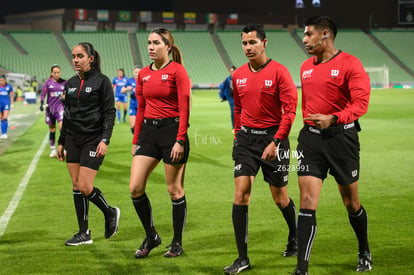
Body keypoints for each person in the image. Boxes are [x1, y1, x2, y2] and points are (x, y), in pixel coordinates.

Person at [292, 16, 371, 275]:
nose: (304, 39)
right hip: (310, 140)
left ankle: (364, 250)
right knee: (307, 200)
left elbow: (361, 104)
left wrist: (334, 118)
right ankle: (301, 269)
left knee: (351, 203)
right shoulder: (305, 67)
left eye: (308, 34)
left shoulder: (351, 64)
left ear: (325, 35)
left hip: (342, 139)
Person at [223, 23, 298, 274]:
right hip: (246, 141)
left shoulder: (280, 72)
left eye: (252, 42)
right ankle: (242, 258)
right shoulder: (238, 75)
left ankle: (295, 235)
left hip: (274, 140)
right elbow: (238, 108)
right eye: (244, 43)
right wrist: (237, 133)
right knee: (241, 192)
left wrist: (276, 142)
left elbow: (290, 112)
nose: (248, 47)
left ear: (264, 43)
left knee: (280, 198)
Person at [130, 27, 191, 259]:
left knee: (174, 191)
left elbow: (185, 108)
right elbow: (142, 108)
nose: (151, 47)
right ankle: (152, 235)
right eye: (149, 43)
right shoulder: (143, 74)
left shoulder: (178, 71)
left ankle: (176, 243)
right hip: (148, 132)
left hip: (172, 132)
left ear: (167, 46)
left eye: (156, 43)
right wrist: (136, 140)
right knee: (135, 188)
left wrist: (180, 140)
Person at [57, 42, 120, 246]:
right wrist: (61, 141)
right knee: (76, 185)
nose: (75, 60)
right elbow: (67, 114)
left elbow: (110, 112)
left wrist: (105, 139)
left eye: (80, 56)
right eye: (74, 56)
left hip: (93, 139)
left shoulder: (102, 81)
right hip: (73, 139)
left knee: (85, 185)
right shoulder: (70, 83)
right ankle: (84, 233)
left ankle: (110, 212)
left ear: (90, 59)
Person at [40, 64, 66, 158]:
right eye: (54, 72)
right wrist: (41, 103)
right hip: (50, 109)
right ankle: (53, 150)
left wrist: (65, 98)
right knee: (52, 130)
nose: (56, 74)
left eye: (58, 72)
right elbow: (43, 94)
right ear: (52, 73)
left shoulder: (64, 82)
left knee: (62, 129)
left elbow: (68, 94)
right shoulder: (48, 83)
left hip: (60, 108)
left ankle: (64, 147)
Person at [122, 65, 141, 134]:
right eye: (135, 72)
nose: (137, 74)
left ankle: (140, 142)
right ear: (133, 72)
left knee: (143, 125)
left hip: (142, 105)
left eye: (139, 72)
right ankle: (136, 139)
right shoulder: (130, 81)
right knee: (133, 125)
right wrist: (127, 89)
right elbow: (122, 90)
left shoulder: (144, 80)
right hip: (133, 105)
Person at [219, 65, 237, 131]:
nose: (232, 73)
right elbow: (222, 87)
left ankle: (240, 126)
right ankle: (234, 127)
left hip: (238, 97)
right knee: (233, 111)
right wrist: (221, 97)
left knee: (239, 112)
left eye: (233, 71)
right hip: (231, 97)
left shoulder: (239, 78)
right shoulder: (228, 79)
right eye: (231, 71)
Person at [0, 75, 13, 139]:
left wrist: (12, 104)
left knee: (5, 118)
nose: (1, 82)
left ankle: (5, 133)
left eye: (2, 80)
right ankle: (2, 133)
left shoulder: (9, 86)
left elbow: (11, 96)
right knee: (1, 118)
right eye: (0, 80)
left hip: (6, 104)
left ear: (5, 80)